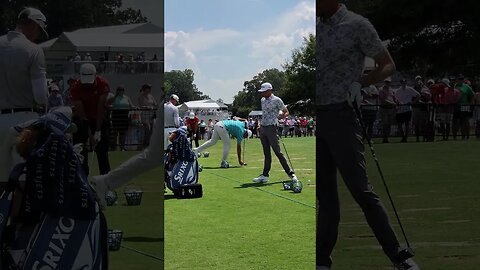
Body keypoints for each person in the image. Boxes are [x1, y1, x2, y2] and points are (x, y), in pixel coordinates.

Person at [317, 1, 419, 270]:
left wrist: (361, 82)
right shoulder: (316, 28)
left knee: (360, 190)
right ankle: (320, 261)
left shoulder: (357, 25)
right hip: (319, 115)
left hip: (342, 113)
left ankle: (399, 256)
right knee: (325, 197)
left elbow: (387, 64)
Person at [0, 7, 48, 185]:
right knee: (22, 181)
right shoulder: (34, 50)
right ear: (34, 25)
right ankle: (18, 213)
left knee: (1, 180)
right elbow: (40, 96)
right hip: (25, 122)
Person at [252, 82, 298, 184]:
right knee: (266, 153)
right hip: (263, 128)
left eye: (264, 91)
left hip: (272, 128)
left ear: (269, 90)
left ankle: (290, 174)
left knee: (278, 152)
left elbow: (286, 111)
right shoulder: (262, 100)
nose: (262, 93)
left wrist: (281, 116)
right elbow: (264, 114)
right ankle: (265, 175)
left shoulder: (277, 100)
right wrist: (260, 125)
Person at [70, 63, 111, 175]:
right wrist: (90, 136)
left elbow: (101, 108)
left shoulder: (103, 84)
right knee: (81, 153)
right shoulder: (75, 87)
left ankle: (106, 182)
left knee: (102, 152)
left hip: (99, 119)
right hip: (81, 121)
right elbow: (81, 115)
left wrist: (98, 131)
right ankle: (82, 182)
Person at [107, 85, 134, 151]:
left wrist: (134, 107)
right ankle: (114, 147)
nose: (121, 91)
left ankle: (122, 147)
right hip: (116, 115)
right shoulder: (114, 97)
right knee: (115, 132)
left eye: (122, 90)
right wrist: (115, 96)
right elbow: (108, 102)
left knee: (123, 132)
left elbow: (131, 105)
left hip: (124, 115)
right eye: (119, 90)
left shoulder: (126, 97)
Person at [452, 75, 474, 140]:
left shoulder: (466, 86)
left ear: (463, 80)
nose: (460, 80)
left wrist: (471, 104)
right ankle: (455, 136)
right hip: (456, 106)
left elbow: (473, 95)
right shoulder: (455, 86)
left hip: (465, 106)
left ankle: (465, 136)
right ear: (457, 80)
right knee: (455, 121)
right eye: (459, 79)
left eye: (461, 79)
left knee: (464, 121)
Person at [378, 78, 397, 143]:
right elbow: (383, 100)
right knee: (385, 124)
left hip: (391, 109)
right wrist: (392, 103)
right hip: (384, 108)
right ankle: (384, 138)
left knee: (389, 124)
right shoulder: (381, 89)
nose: (387, 83)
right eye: (386, 82)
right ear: (384, 82)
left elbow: (394, 97)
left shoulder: (391, 90)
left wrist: (397, 101)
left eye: (388, 82)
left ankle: (387, 137)